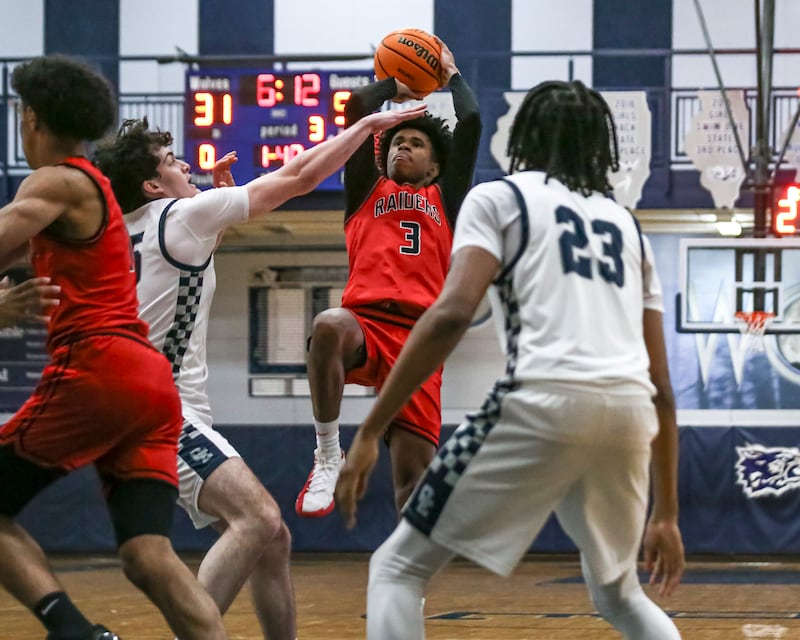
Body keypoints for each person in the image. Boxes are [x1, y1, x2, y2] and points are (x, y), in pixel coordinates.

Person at [335, 79, 685, 639]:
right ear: (601, 144)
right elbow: (664, 387)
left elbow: (449, 317)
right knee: (620, 594)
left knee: (396, 569)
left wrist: (369, 432)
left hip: (543, 400)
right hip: (628, 415)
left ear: (522, 136)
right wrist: (666, 514)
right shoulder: (628, 227)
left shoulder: (501, 197)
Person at [92, 101, 428, 639]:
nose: (187, 169)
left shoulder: (123, 235)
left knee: (272, 542)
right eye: (175, 163)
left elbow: (178, 266)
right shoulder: (179, 218)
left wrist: (216, 209)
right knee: (260, 519)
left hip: (132, 411)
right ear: (153, 188)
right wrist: (364, 128)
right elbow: (297, 177)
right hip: (157, 412)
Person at [0, 55, 228, 640]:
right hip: (152, 389)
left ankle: (73, 631)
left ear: (32, 119)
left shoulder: (56, 180)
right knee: (147, 555)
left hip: (100, 368)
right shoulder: (92, 194)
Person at [295, 37, 482, 519]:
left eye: (416, 143)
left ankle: (409, 590)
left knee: (412, 486)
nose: (404, 147)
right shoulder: (365, 189)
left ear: (435, 164)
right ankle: (326, 454)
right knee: (328, 325)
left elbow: (472, 121)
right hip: (366, 325)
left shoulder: (448, 198)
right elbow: (356, 106)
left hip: (421, 338)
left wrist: (451, 75)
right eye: (398, 141)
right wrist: (394, 86)